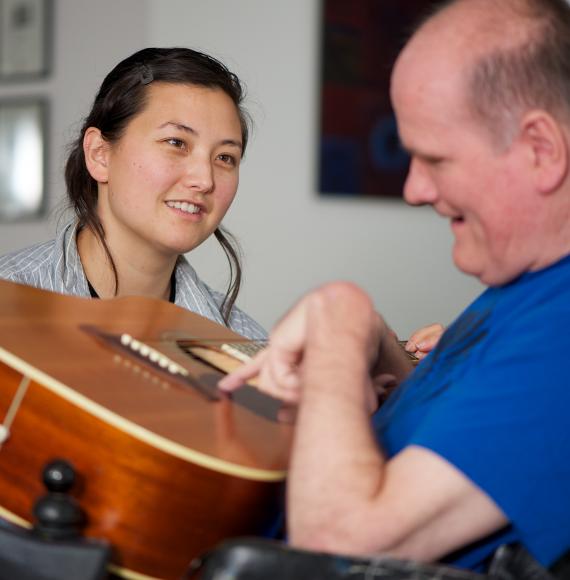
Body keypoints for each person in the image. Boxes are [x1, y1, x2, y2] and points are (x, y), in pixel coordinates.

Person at [219, 0, 570, 574]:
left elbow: (336, 544)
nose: (413, 189)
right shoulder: (530, 286)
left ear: (540, 150)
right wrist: (381, 349)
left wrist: (340, 315)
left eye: (434, 158)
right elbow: (473, 443)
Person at [0, 47, 265, 340]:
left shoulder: (247, 348)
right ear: (100, 154)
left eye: (225, 158)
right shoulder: (8, 303)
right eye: (176, 142)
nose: (204, 180)